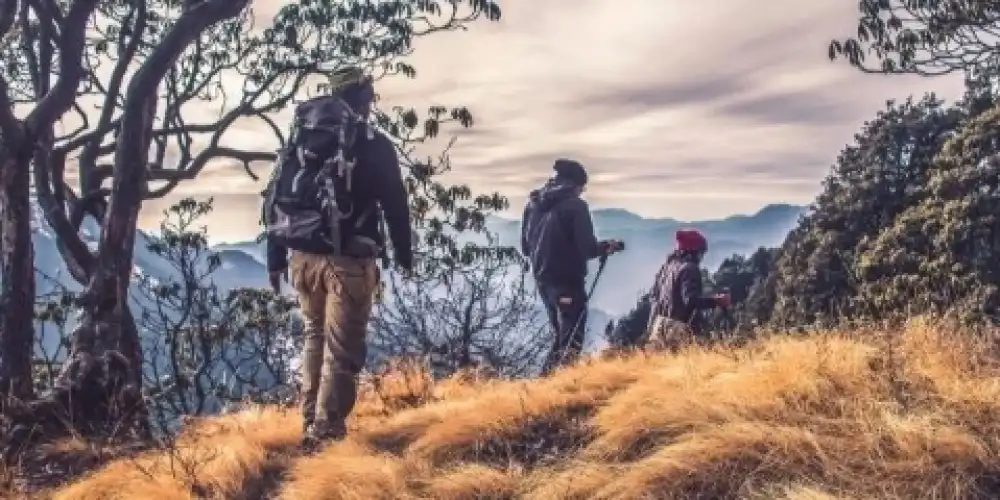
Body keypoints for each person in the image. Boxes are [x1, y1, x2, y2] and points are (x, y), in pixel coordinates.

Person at [264, 68, 413, 447]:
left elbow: (276, 196)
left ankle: (310, 422)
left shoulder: (302, 140)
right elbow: (396, 204)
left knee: (314, 338)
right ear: (363, 98)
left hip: (301, 256)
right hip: (347, 261)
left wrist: (275, 257)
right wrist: (404, 256)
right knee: (343, 351)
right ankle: (326, 434)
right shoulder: (372, 143)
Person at [520, 158, 623, 374]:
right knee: (572, 339)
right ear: (576, 185)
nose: (582, 192)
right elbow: (586, 248)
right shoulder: (576, 207)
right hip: (568, 282)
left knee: (560, 336)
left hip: (543, 281)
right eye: (582, 188)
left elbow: (525, 247)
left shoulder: (532, 204)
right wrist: (606, 247)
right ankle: (563, 388)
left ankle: (545, 384)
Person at [642, 228, 730, 350]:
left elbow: (654, 295)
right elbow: (690, 301)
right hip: (676, 329)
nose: (702, 256)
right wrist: (716, 301)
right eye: (702, 252)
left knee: (659, 366)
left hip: (659, 325)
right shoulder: (690, 269)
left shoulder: (668, 266)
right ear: (695, 251)